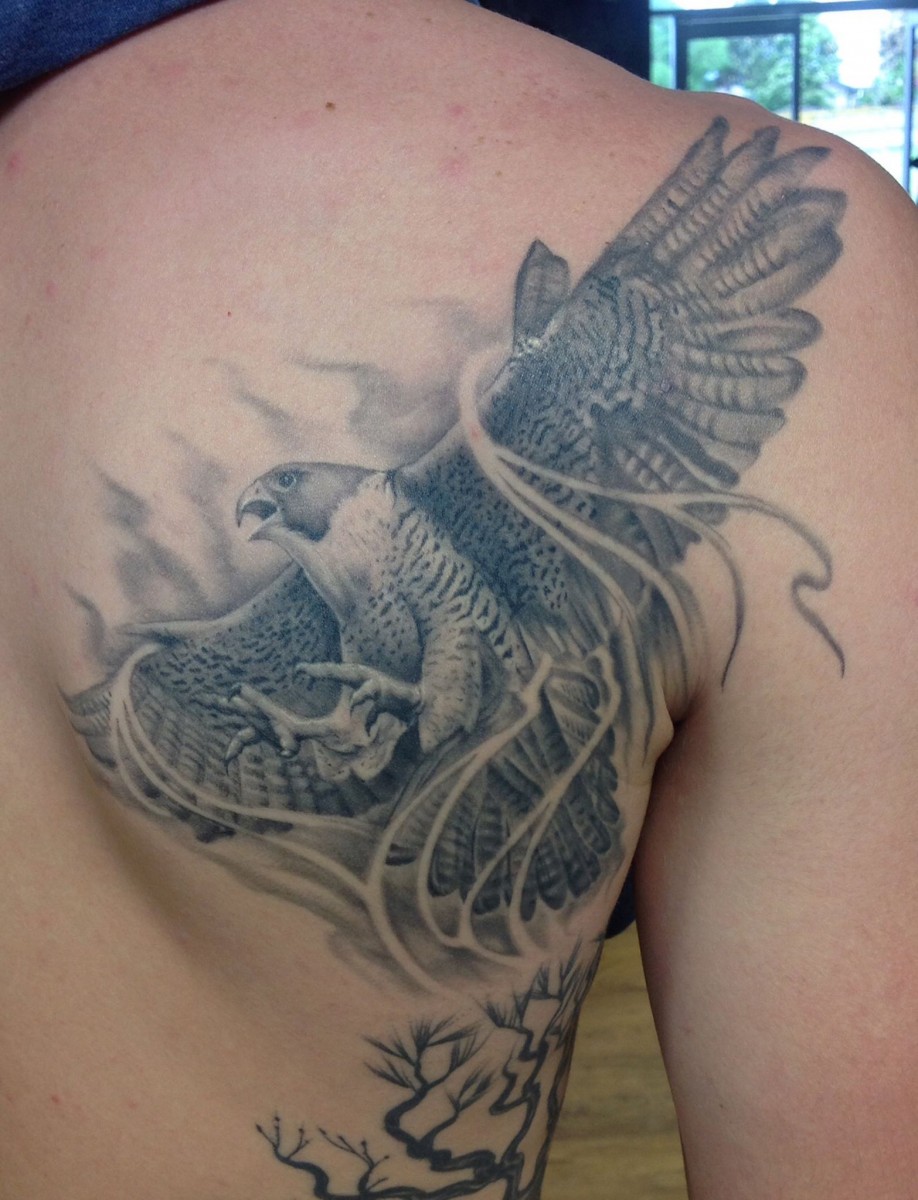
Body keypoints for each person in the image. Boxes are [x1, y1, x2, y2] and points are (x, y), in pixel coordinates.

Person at [0, 2, 915, 1197]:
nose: (266, 513)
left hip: (494, 707)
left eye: (279, 496)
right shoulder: (853, 296)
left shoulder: (420, 496)